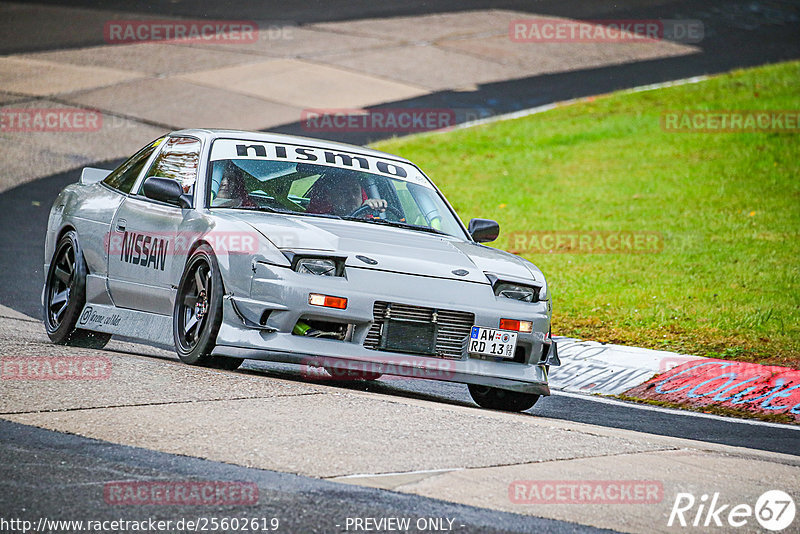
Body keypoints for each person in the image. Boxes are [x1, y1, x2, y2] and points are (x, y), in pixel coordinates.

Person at [307, 172, 386, 216]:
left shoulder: (372, 222)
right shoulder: (319, 221)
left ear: (362, 195)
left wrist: (374, 206)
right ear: (330, 197)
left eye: (355, 191)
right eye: (343, 192)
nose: (352, 196)